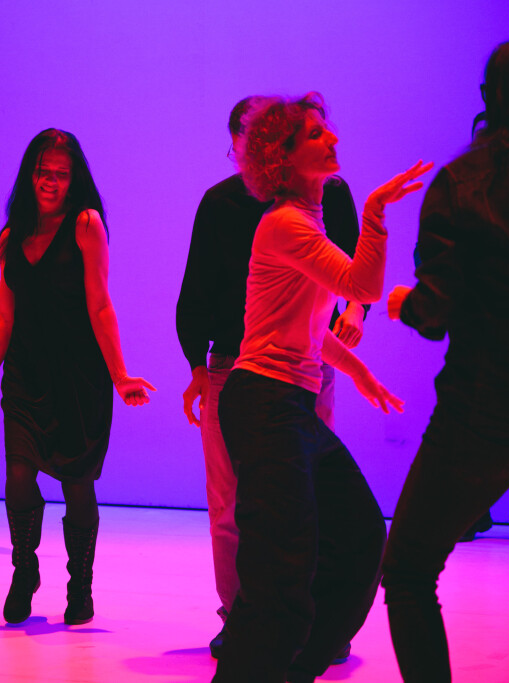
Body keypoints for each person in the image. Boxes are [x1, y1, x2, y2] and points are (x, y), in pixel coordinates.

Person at [212, 92, 431, 683]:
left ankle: (295, 669)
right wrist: (376, 213)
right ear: (282, 158)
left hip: (288, 405)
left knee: (358, 537)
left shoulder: (304, 221)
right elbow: (362, 286)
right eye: (315, 134)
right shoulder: (285, 223)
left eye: (327, 129)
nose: (332, 138)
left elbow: (302, 325)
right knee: (281, 576)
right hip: (264, 403)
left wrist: (358, 372)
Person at [176, 97, 366, 658]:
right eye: (247, 134)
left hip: (307, 368)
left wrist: (356, 318)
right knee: (232, 506)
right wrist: (197, 367)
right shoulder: (224, 204)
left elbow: (350, 274)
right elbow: (198, 291)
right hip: (237, 369)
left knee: (307, 503)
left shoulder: (328, 195)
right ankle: (242, 618)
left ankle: (303, 622)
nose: (254, 142)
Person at [382, 31, 509, 680]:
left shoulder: (466, 181)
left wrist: (402, 303)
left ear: (493, 96)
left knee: (407, 570)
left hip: (484, 409)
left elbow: (436, 312)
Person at [0, 128, 154, 626]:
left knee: (77, 483)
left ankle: (79, 586)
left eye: (61, 173)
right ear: (30, 174)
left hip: (79, 376)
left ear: (73, 178)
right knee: (19, 475)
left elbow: (100, 305)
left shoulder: (86, 224)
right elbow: (4, 318)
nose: (51, 181)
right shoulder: (10, 237)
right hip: (25, 374)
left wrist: (121, 375)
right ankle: (24, 571)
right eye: (44, 171)